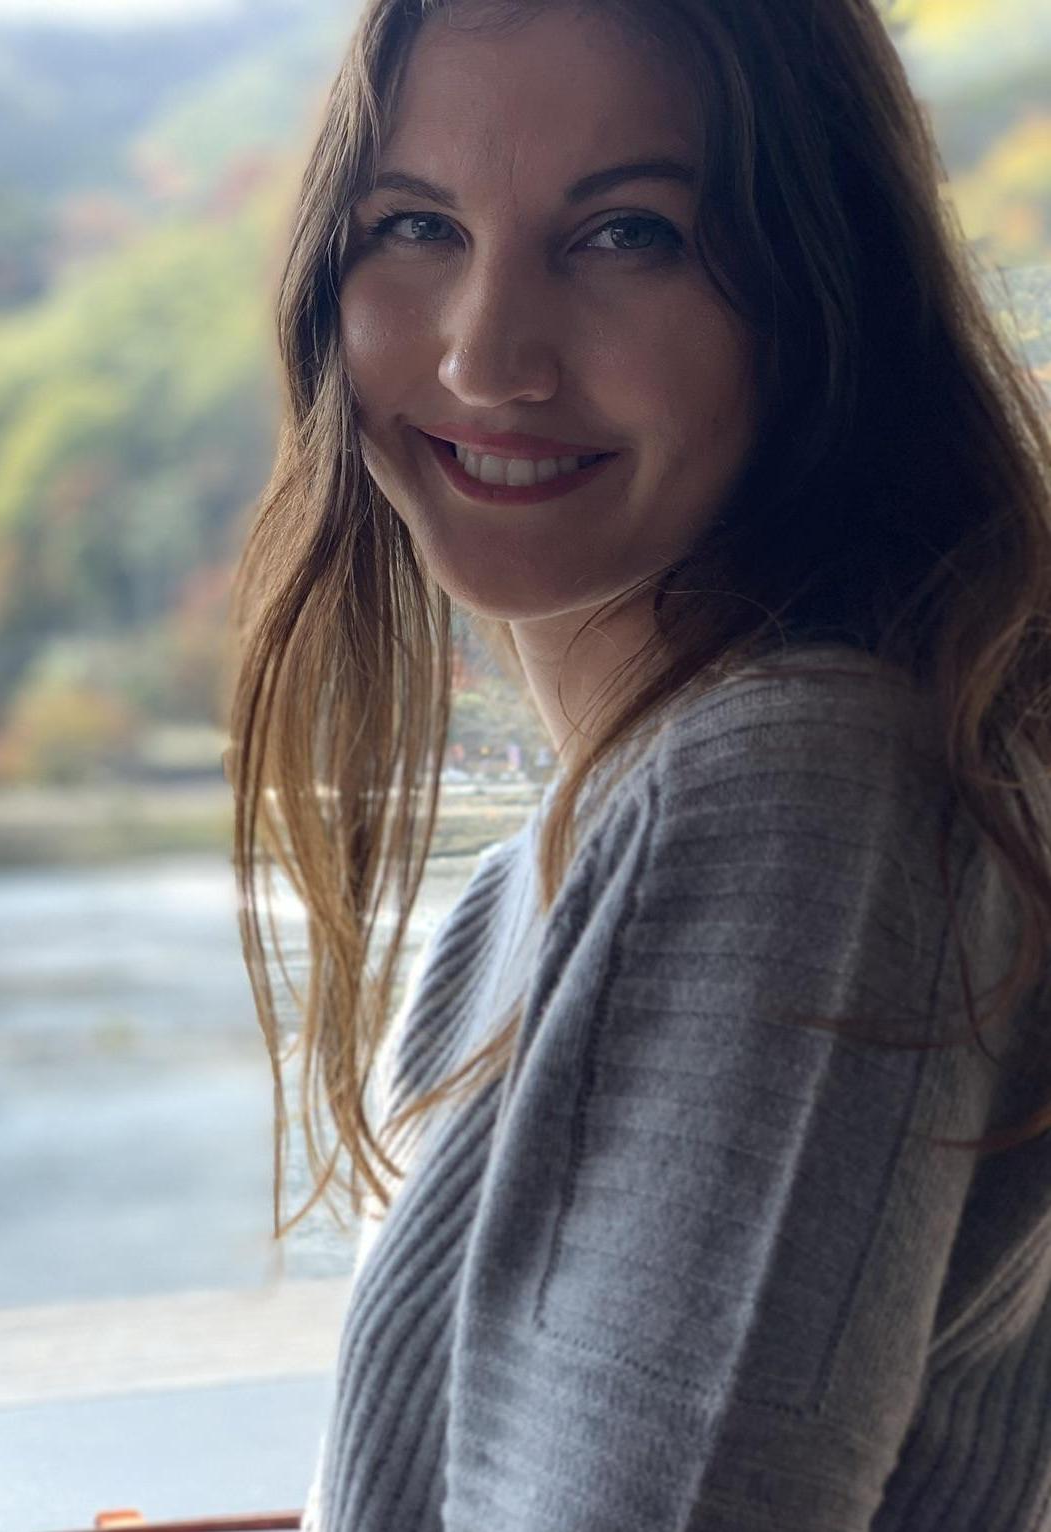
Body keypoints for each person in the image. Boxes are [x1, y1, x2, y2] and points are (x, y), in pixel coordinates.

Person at [226, 0, 1051, 1527]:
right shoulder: (531, 875)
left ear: (822, 292)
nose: (487, 354)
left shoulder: (800, 788)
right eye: (415, 225)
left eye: (628, 239)